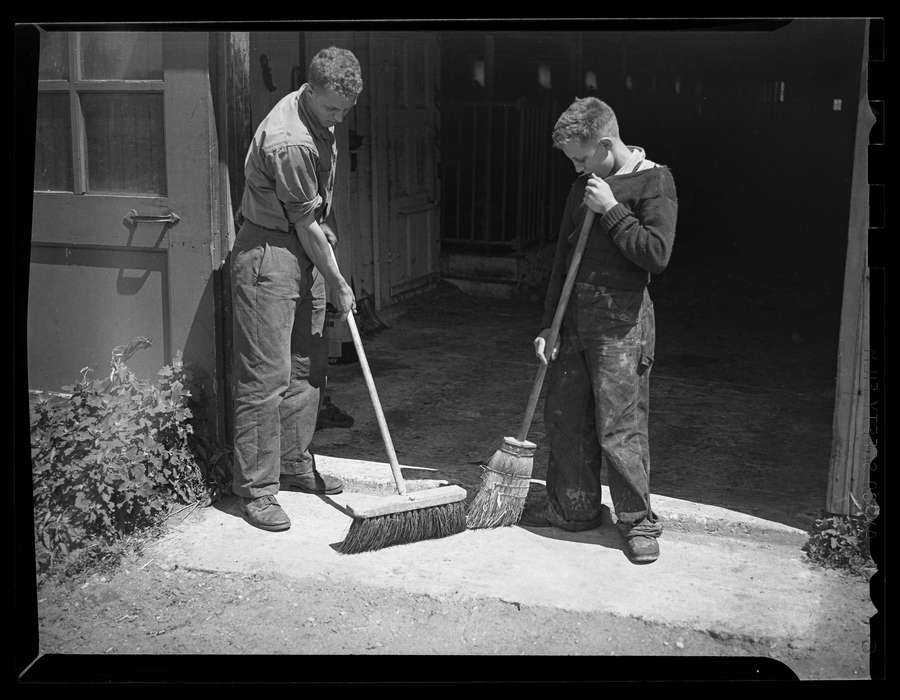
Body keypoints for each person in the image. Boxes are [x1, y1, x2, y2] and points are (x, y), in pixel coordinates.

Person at [523, 97, 677, 564]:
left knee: (619, 426)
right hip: (574, 322)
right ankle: (575, 509)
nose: (575, 167)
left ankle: (636, 521)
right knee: (566, 419)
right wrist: (550, 324)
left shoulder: (655, 181)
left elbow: (656, 254)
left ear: (606, 144)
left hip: (622, 325)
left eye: (580, 156)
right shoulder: (584, 185)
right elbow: (563, 261)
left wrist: (612, 209)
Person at [230, 47, 362, 531]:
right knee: (266, 377)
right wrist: (338, 280)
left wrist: (325, 245)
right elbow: (304, 224)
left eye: (346, 110)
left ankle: (292, 463)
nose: (339, 118)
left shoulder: (320, 118)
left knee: (308, 365)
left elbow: (315, 217)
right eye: (332, 109)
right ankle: (257, 490)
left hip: (302, 248)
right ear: (310, 90)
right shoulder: (289, 140)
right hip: (269, 256)